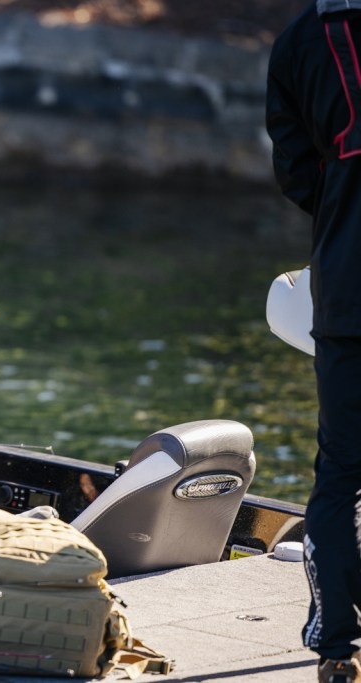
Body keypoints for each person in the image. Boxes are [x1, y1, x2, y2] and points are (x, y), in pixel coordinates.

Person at [267, 3, 361, 681]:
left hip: (346, 284)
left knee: (341, 475)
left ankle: (337, 646)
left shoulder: (297, 40)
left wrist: (342, 206)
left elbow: (296, 168)